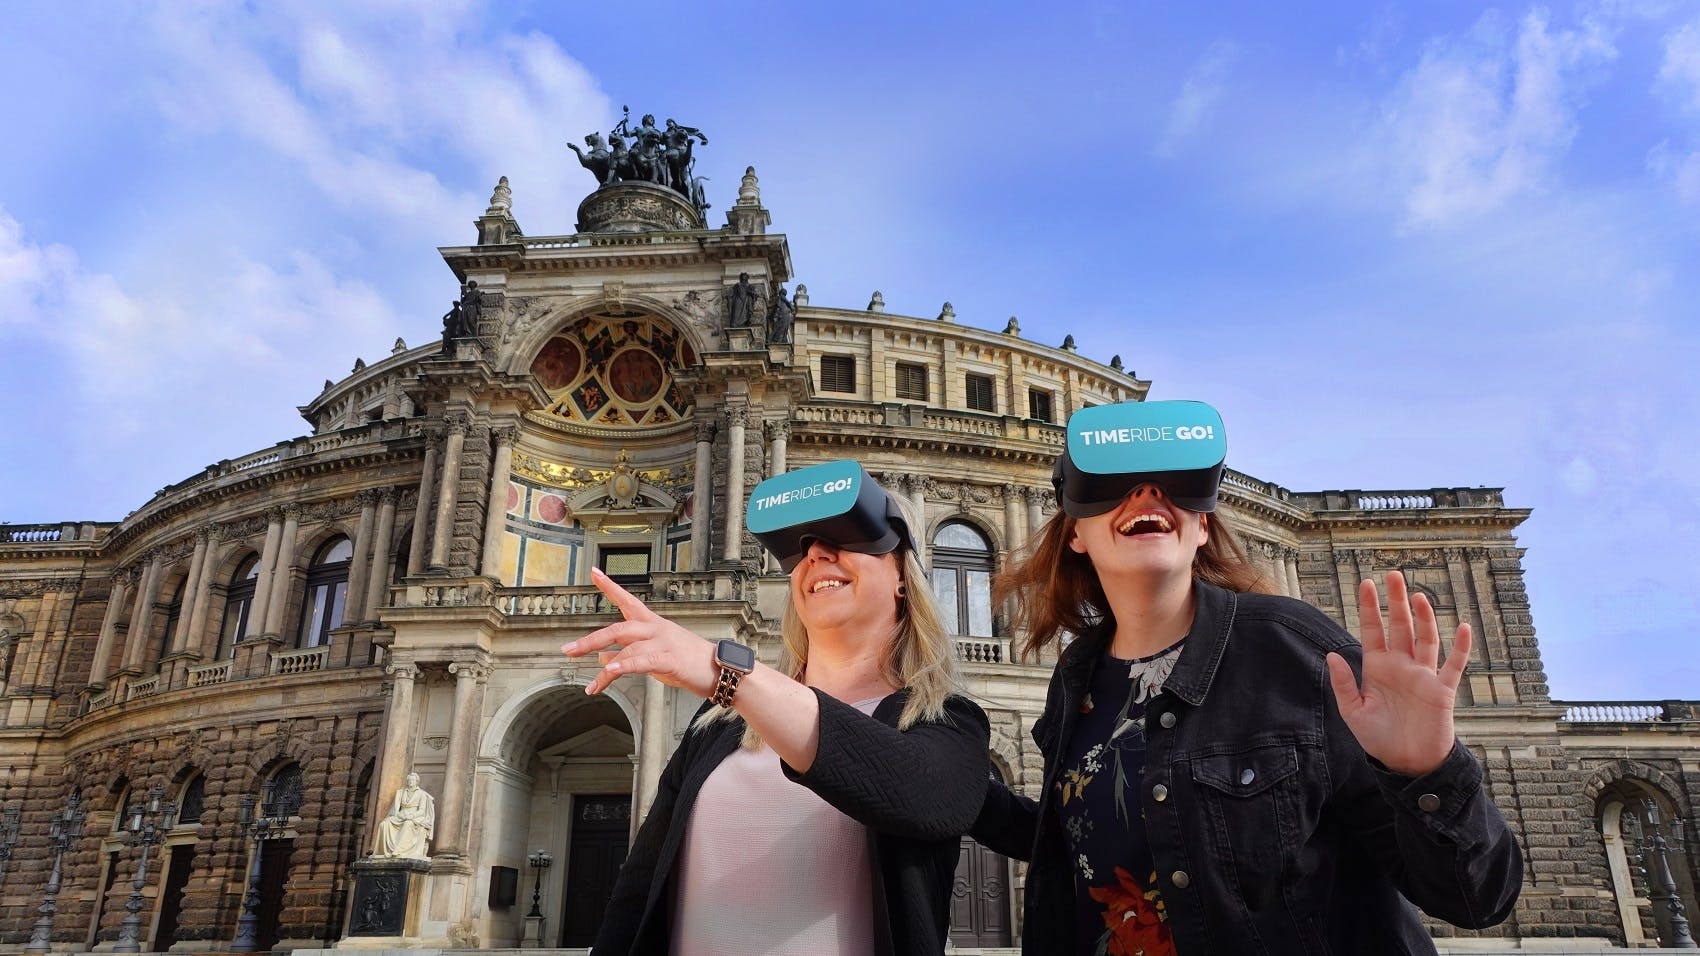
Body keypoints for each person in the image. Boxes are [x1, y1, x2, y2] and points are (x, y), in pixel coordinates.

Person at [972, 400, 1523, 954]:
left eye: (1174, 482)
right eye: (1114, 482)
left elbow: (1477, 899)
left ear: (1203, 524)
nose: (1145, 493)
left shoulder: (1297, 652)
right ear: (1076, 534)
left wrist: (1426, 770)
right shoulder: (1075, 681)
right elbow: (1076, 842)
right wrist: (951, 776)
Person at [565, 461, 989, 956]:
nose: (815, 553)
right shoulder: (719, 722)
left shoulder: (946, 721)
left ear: (902, 574)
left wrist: (730, 675)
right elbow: (636, 891)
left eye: (847, 535)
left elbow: (926, 797)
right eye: (802, 547)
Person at [372, 771, 435, 859]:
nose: (410, 781)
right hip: (400, 815)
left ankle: (398, 850)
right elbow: (396, 809)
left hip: (414, 816)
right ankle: (382, 851)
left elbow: (421, 811)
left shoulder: (422, 794)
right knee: (384, 824)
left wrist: (412, 816)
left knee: (408, 824)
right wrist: (399, 815)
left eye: (412, 780)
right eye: (409, 780)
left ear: (417, 781)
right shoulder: (400, 792)